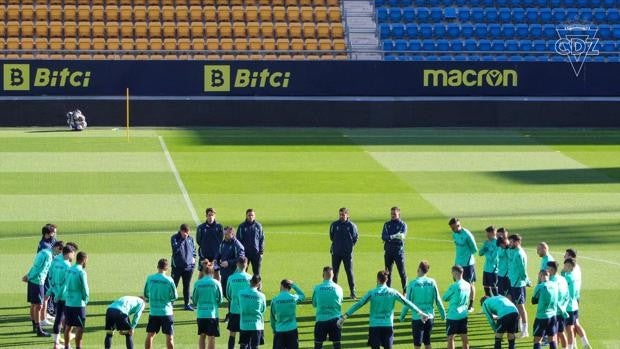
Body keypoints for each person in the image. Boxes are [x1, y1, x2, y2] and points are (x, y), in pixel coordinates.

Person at [339, 270, 427, 349]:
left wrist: (344, 316)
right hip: (387, 326)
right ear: (387, 280)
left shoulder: (372, 292)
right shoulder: (393, 292)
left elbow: (359, 304)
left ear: (377, 279)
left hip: (374, 327)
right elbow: (407, 302)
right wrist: (420, 312)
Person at [400, 261, 446, 349]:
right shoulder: (432, 282)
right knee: (427, 342)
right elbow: (438, 300)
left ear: (419, 269)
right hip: (429, 317)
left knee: (417, 345)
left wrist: (402, 316)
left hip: (417, 317)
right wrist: (443, 314)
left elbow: (407, 303)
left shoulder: (413, 283)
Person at [22, 240, 61, 337]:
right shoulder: (48, 256)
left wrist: (29, 275)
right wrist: (30, 276)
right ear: (57, 247)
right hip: (38, 281)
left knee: (33, 304)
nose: (58, 253)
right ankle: (39, 330)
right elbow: (40, 269)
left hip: (33, 280)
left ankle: (35, 326)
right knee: (39, 305)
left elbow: (34, 266)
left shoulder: (43, 252)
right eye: (59, 251)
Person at [144, 258, 178, 349]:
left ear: (157, 267)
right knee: (169, 337)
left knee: (150, 335)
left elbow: (146, 294)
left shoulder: (150, 278)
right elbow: (175, 296)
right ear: (167, 268)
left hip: (154, 311)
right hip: (166, 312)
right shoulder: (169, 280)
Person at [216, 226, 245, 324]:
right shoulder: (223, 243)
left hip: (233, 274)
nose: (225, 236)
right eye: (224, 234)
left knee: (232, 295)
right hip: (224, 273)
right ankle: (232, 313)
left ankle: (232, 314)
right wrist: (215, 260)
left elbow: (241, 258)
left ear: (232, 234)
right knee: (226, 294)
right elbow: (219, 254)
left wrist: (228, 262)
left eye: (227, 234)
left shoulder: (237, 245)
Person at [48, 243, 76, 347]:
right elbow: (65, 284)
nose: (73, 255)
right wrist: (58, 295)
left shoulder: (55, 261)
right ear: (68, 253)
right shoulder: (67, 266)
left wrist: (52, 290)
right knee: (68, 320)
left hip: (55, 293)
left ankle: (56, 343)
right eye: (73, 253)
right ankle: (67, 345)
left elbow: (50, 275)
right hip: (64, 297)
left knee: (58, 318)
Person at [448, 217, 478, 312]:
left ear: (458, 225)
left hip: (468, 264)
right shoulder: (454, 234)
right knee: (458, 284)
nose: (452, 230)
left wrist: (467, 257)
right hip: (458, 263)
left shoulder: (467, 235)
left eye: (453, 228)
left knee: (469, 284)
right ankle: (460, 303)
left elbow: (474, 249)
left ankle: (471, 304)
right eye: (451, 228)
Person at [192, 260, 224, 349]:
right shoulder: (216, 283)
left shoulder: (198, 283)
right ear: (212, 271)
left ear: (203, 271)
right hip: (212, 314)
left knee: (202, 336)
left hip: (201, 314)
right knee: (212, 337)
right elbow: (220, 299)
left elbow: (194, 300)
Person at [330, 207, 359, 299]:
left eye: (343, 214)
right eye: (340, 214)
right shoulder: (334, 225)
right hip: (336, 252)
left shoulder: (351, 226)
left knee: (349, 272)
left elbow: (355, 238)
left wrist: (349, 246)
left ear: (347, 215)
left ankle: (352, 292)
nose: (341, 216)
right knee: (334, 272)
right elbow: (331, 237)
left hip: (347, 253)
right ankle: (333, 292)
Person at [312, 266, 344, 349]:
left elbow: (314, 304)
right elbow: (340, 302)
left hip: (321, 320)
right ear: (333, 275)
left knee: (318, 345)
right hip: (335, 320)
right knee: (337, 344)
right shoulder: (339, 288)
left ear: (323, 275)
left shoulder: (317, 288)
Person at [562, 258, 590, 349]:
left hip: (568, 307)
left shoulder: (567, 277)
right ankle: (585, 344)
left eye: (565, 265)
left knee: (569, 328)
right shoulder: (575, 276)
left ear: (569, 266)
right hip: (575, 305)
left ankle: (570, 347)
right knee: (576, 324)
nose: (564, 267)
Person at [64, 251, 89, 349]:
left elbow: (65, 284)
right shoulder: (81, 272)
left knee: (68, 326)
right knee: (80, 327)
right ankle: (78, 347)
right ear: (84, 260)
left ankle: (66, 346)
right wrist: (86, 300)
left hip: (68, 302)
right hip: (78, 303)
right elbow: (85, 289)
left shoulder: (69, 269)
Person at [270, 279, 306, 349]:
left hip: (279, 330)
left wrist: (274, 329)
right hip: (292, 330)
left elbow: (272, 317)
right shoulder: (293, 298)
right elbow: (303, 295)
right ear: (290, 287)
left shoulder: (275, 300)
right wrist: (294, 285)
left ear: (282, 286)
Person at [442, 265, 471, 349]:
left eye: (452, 272)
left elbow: (445, 298)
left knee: (451, 338)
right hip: (463, 314)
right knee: (464, 338)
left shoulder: (454, 286)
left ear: (456, 272)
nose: (452, 274)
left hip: (453, 315)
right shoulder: (468, 284)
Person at [226, 257, 252, 349]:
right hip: (246, 310)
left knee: (232, 334)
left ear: (237, 264)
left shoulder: (231, 278)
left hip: (234, 310)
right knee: (244, 334)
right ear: (247, 265)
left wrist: (234, 300)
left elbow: (228, 294)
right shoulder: (250, 278)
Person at [507, 234, 530, 338]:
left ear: (517, 242)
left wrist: (526, 280)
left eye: (511, 242)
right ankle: (519, 327)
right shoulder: (514, 251)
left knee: (520, 307)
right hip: (513, 283)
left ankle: (525, 330)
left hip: (518, 284)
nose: (509, 243)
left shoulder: (519, 254)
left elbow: (522, 270)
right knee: (516, 306)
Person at [170, 223, 197, 311]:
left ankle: (187, 304)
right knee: (174, 285)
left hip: (189, 268)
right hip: (177, 267)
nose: (187, 234)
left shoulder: (191, 239)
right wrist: (182, 240)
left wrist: (193, 259)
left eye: (188, 232)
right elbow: (175, 249)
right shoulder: (174, 238)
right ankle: (170, 303)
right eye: (185, 232)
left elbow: (194, 250)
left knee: (187, 286)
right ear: (181, 231)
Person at [381, 206, 408, 292]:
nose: (392, 215)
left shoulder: (403, 225)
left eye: (394, 214)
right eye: (391, 214)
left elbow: (402, 236)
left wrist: (390, 238)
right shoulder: (387, 224)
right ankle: (388, 290)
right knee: (388, 273)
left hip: (398, 252)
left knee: (402, 272)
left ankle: (405, 291)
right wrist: (394, 236)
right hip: (388, 251)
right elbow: (383, 237)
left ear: (398, 214)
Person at [532, 269, 559, 349]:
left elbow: (533, 301)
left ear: (540, 276)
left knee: (537, 340)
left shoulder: (540, 286)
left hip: (541, 317)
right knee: (552, 339)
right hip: (553, 316)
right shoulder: (555, 285)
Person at [238, 275, 267, 349]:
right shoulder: (262, 296)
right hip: (256, 325)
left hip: (244, 325)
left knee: (243, 346)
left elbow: (239, 305)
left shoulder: (241, 293)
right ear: (259, 284)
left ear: (250, 281)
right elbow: (263, 310)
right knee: (255, 346)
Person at [196, 208, 224, 279]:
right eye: (209, 215)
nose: (210, 217)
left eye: (212, 215)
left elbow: (221, 240)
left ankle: (218, 289)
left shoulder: (219, 227)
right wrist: (203, 256)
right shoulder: (201, 228)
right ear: (206, 215)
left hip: (216, 256)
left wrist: (217, 256)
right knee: (202, 272)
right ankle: (199, 288)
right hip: (204, 255)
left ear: (215, 216)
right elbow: (198, 241)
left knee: (217, 273)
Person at [38, 224, 58, 321]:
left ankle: (47, 312)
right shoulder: (44, 246)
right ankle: (43, 316)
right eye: (53, 232)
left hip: (50, 272)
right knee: (46, 295)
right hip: (46, 273)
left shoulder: (50, 241)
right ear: (47, 234)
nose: (55, 234)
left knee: (49, 294)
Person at [547, 261, 569, 349]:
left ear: (551, 270)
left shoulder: (551, 282)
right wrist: (563, 307)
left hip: (554, 312)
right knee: (560, 332)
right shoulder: (562, 279)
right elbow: (567, 295)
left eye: (547, 268)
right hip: (562, 310)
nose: (546, 270)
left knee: (553, 334)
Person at [237, 209, 265, 277]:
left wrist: (261, 252)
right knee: (242, 273)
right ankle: (243, 286)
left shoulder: (258, 226)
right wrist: (240, 253)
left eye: (252, 215)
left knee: (257, 274)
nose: (250, 217)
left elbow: (261, 239)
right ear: (246, 216)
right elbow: (238, 240)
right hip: (245, 254)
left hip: (256, 253)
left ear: (254, 216)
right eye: (249, 215)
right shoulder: (241, 227)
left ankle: (258, 287)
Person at [479, 226, 499, 297]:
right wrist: (484, 248)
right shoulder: (486, 242)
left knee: (495, 290)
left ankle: (498, 305)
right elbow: (480, 253)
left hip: (493, 270)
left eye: (488, 234)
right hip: (486, 269)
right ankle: (490, 305)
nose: (486, 235)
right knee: (486, 289)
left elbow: (493, 258)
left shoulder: (497, 243)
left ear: (493, 233)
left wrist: (486, 251)